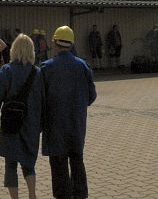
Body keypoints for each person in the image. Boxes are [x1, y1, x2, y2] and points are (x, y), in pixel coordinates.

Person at [0, 34, 43, 199]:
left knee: (10, 165)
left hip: (11, 124)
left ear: (14, 49)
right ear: (31, 50)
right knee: (28, 164)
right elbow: (43, 101)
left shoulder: (6, 70)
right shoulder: (37, 73)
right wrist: (42, 125)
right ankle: (32, 195)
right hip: (31, 124)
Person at [41, 26, 96, 199]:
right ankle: (80, 194)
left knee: (58, 163)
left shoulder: (46, 67)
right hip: (76, 124)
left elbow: (39, 99)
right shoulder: (83, 66)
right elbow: (92, 96)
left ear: (55, 43)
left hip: (55, 125)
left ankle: (63, 195)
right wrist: (78, 106)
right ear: (71, 44)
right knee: (77, 159)